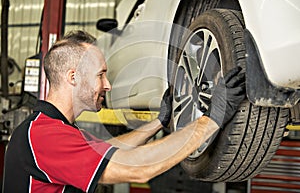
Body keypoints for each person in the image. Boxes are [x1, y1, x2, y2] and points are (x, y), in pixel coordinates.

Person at [3, 30, 245, 193]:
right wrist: (211, 119)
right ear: (73, 77)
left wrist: (160, 122)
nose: (107, 85)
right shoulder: (46, 137)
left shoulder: (54, 129)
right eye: (100, 75)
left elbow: (113, 151)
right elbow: (137, 169)